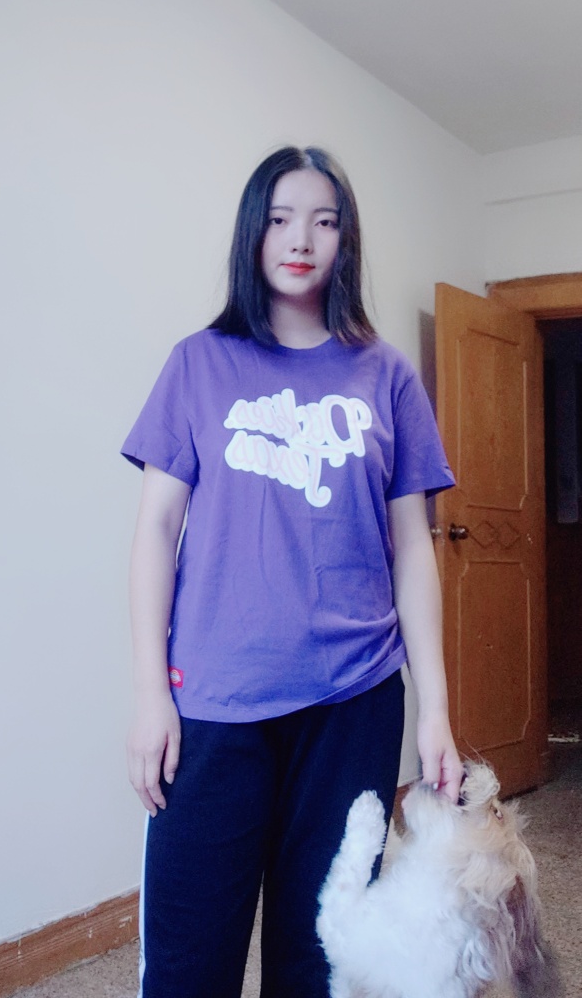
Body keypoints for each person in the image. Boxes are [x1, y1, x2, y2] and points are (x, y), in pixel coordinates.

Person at [121, 145, 462, 998]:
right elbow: (156, 530)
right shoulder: (198, 364)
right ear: (253, 232)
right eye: (278, 219)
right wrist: (150, 694)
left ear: (345, 238)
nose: (299, 239)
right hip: (215, 705)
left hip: (353, 701)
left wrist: (434, 711)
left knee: (321, 960)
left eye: (322, 220)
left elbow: (412, 546)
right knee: (188, 964)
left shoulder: (386, 374)